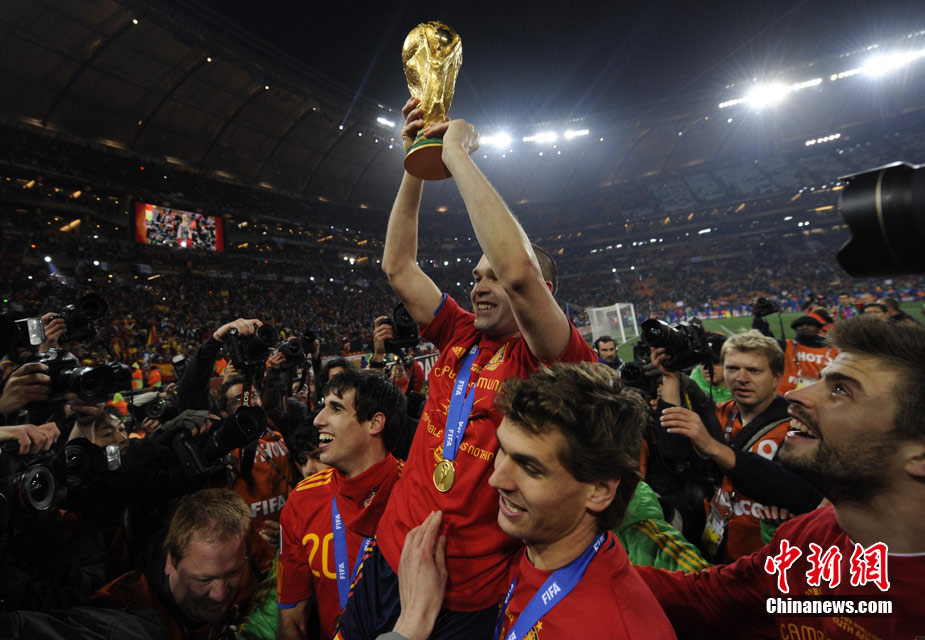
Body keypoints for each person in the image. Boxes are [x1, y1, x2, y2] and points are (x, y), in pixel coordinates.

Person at [337, 99, 595, 639]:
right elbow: (398, 266)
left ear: (543, 294)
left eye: (491, 276)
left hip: (467, 590)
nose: (480, 285)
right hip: (392, 552)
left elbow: (519, 272)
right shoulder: (459, 331)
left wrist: (456, 154)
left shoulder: (556, 363)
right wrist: (418, 160)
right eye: (476, 276)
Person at [636, 316, 925, 639]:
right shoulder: (806, 537)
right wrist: (593, 561)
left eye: (841, 390)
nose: (797, 395)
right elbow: (704, 597)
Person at [277, 369, 406, 640]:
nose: (318, 420)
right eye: (323, 406)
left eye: (335, 409)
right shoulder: (302, 500)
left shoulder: (418, 493)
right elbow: (292, 622)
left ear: (375, 423)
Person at [657, 330, 790, 561]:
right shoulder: (720, 413)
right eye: (732, 369)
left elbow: (799, 491)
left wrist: (712, 446)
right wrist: (670, 376)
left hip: (772, 555)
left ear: (777, 378)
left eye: (754, 370)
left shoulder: (795, 424)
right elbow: (674, 450)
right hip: (721, 545)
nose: (741, 378)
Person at [92, 488, 256, 639]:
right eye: (204, 580)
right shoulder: (114, 614)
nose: (220, 595)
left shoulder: (252, 581)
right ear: (171, 561)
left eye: (233, 573)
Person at [754, 314, 838, 395]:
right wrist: (758, 319)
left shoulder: (833, 350)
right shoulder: (787, 345)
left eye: (809, 325)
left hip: (822, 396)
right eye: (800, 325)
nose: (804, 327)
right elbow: (763, 341)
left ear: (818, 328)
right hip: (787, 396)